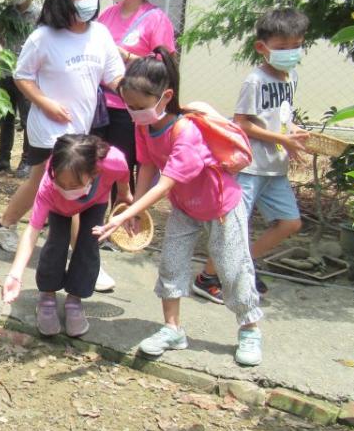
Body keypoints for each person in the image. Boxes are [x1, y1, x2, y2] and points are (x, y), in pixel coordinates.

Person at [93, 47, 265, 366]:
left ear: (166, 95)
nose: (133, 113)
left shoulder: (186, 131)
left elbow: (165, 184)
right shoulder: (144, 126)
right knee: (171, 264)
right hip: (185, 207)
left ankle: (249, 328)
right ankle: (172, 329)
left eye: (140, 106)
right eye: (129, 107)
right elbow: (146, 166)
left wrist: (120, 218)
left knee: (232, 269)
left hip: (221, 207)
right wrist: (134, 205)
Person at [0, 0, 125, 275]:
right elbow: (22, 76)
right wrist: (46, 104)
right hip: (49, 127)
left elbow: (114, 77)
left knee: (38, 183)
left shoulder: (100, 34)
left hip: (80, 127)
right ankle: (87, 262)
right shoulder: (43, 37)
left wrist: (138, 92)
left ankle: (2, 226)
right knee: (68, 184)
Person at [193, 8, 310, 303]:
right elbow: (242, 122)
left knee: (290, 223)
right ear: (262, 47)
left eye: (297, 45)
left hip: (276, 168)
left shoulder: (290, 77)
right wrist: (282, 137)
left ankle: (241, 265)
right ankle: (208, 277)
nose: (291, 52)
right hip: (249, 166)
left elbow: (281, 117)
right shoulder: (255, 80)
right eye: (283, 48)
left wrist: (293, 134)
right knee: (233, 227)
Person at [1, 134, 131, 337]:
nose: (67, 189)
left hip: (95, 202)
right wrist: (15, 275)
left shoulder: (113, 161)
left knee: (88, 247)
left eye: (74, 185)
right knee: (56, 243)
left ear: (94, 173)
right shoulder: (49, 187)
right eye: (62, 182)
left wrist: (124, 194)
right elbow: (32, 231)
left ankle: (74, 301)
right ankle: (47, 298)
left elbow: (123, 176)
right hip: (58, 206)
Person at [96, 0, 177, 199]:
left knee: (126, 165)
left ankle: (126, 222)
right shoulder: (108, 14)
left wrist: (127, 57)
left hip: (130, 108)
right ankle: (104, 224)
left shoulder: (155, 19)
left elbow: (164, 66)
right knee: (104, 165)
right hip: (102, 104)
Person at [0, 0, 41, 178]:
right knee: (6, 117)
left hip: (28, 75)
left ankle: (26, 161)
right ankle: (2, 158)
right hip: (6, 71)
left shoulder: (38, 14)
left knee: (27, 120)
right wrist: (11, 48)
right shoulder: (8, 12)